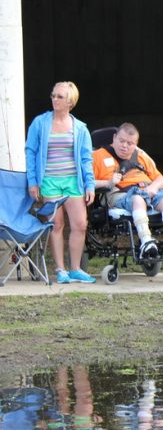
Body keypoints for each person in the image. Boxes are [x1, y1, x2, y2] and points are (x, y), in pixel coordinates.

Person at [92, 122, 163, 264]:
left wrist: (153, 188)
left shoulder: (141, 156)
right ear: (114, 138)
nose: (125, 146)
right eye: (121, 141)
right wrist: (108, 182)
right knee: (137, 199)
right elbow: (87, 183)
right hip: (120, 193)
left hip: (147, 189)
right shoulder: (98, 156)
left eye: (130, 143)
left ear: (135, 144)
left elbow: (161, 179)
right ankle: (146, 242)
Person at [25, 81, 96, 284]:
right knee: (56, 223)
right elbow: (30, 151)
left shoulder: (80, 128)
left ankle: (75, 268)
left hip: (73, 181)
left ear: (70, 102)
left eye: (60, 97)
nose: (55, 99)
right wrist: (33, 181)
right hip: (49, 180)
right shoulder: (40, 123)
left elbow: (86, 158)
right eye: (53, 95)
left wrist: (89, 184)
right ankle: (60, 269)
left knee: (80, 224)